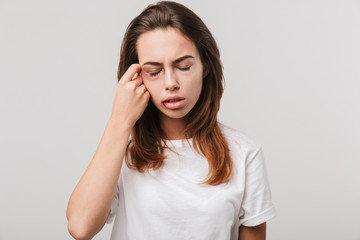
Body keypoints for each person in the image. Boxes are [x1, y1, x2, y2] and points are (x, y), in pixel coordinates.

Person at [66, 1, 276, 239]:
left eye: (184, 66)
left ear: (205, 65)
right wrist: (120, 119)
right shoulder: (121, 154)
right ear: (136, 77)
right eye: (154, 72)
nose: (170, 83)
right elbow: (80, 227)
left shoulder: (244, 153)